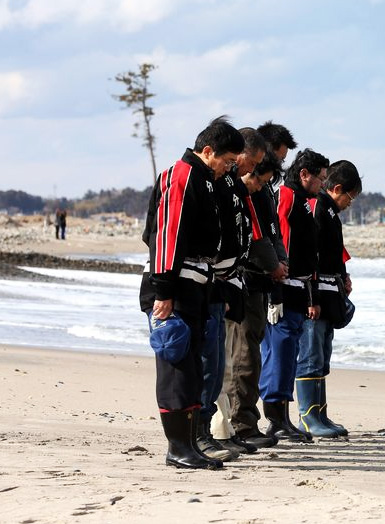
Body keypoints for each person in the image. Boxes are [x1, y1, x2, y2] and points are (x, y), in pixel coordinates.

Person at [139, 116, 244, 470]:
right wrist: (163, 291)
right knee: (177, 367)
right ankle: (178, 448)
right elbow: (166, 236)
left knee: (194, 369)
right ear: (208, 151)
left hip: (198, 285)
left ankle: (188, 444)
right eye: (227, 161)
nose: (228, 168)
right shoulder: (181, 176)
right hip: (175, 286)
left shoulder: (205, 181)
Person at [197, 127, 267, 461]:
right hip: (212, 283)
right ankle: (211, 432)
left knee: (219, 363)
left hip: (228, 282)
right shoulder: (208, 183)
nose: (250, 172)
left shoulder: (231, 186)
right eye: (250, 165)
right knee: (215, 365)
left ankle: (222, 432)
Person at [214, 150, 283, 451]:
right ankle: (238, 424)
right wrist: (274, 265)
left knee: (245, 355)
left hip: (248, 280)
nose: (259, 184)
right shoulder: (234, 190)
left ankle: (239, 423)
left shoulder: (252, 192)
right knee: (240, 356)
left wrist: (278, 263)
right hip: (242, 281)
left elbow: (270, 233)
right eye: (257, 174)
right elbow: (257, 237)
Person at [260, 148, 329, 442]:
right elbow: (281, 245)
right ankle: (276, 420)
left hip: (299, 289)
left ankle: (284, 418)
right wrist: (276, 294)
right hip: (285, 289)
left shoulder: (303, 200)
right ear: (304, 174)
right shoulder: (287, 196)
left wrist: (311, 295)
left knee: (289, 357)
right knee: (279, 354)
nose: (323, 184)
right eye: (320, 178)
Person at [296, 160, 362, 438]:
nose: (350, 203)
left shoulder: (331, 213)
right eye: (350, 197)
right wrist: (312, 298)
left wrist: (343, 276)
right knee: (311, 356)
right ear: (337, 189)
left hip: (329, 294)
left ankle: (320, 413)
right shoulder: (317, 208)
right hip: (315, 297)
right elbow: (310, 255)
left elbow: (335, 253)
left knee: (322, 356)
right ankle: (308, 417)